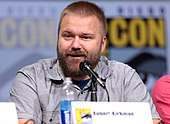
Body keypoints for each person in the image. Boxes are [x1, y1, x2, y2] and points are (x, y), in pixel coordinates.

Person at [9, 1, 161, 124]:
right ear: (58, 39)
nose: (75, 45)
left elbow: (152, 122)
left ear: (102, 44)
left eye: (85, 37)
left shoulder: (124, 78)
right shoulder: (32, 78)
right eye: (68, 36)